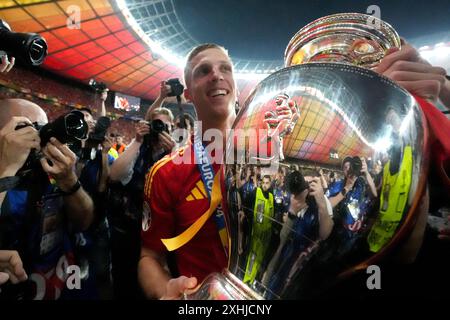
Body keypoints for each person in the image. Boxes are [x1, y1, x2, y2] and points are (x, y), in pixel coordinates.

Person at [138, 43, 237, 299]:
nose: (217, 75)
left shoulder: (269, 154)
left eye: (225, 68)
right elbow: (149, 257)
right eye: (204, 71)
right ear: (189, 93)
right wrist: (166, 291)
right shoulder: (166, 173)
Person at [0, 99, 94, 299]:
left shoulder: (52, 173)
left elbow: (83, 222)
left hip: (58, 285)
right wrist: (7, 170)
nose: (38, 136)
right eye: (26, 127)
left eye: (43, 128)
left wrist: (70, 182)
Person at [107, 108, 175, 299]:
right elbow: (114, 175)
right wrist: (137, 141)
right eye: (156, 124)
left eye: (165, 126)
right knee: (124, 284)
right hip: (128, 232)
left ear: (172, 129)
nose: (159, 129)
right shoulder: (138, 148)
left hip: (159, 236)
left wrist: (173, 152)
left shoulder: (176, 154)